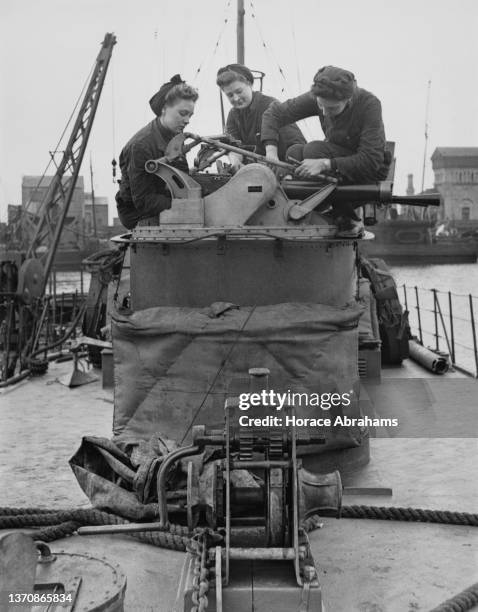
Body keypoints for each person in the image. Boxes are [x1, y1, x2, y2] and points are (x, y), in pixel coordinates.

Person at [261, 65, 391, 235]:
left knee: (313, 150)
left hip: (368, 172)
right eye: (320, 106)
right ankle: (325, 213)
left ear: (349, 99)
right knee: (294, 152)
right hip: (335, 166)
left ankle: (349, 219)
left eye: (332, 109)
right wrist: (271, 152)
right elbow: (274, 113)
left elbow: (370, 160)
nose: (324, 113)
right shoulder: (320, 96)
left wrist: (325, 164)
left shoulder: (370, 105)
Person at [116, 75, 198, 229]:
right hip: (137, 213)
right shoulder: (141, 146)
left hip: (166, 197)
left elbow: (182, 177)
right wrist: (190, 205)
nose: (187, 120)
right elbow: (144, 201)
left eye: (190, 115)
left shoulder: (174, 136)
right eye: (182, 113)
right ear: (164, 109)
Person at [216, 63, 305, 173]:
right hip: (258, 169)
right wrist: (235, 162)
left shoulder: (271, 106)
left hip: (286, 168)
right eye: (230, 95)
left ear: (249, 83)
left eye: (239, 91)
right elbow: (233, 145)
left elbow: (296, 147)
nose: (236, 98)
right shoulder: (233, 115)